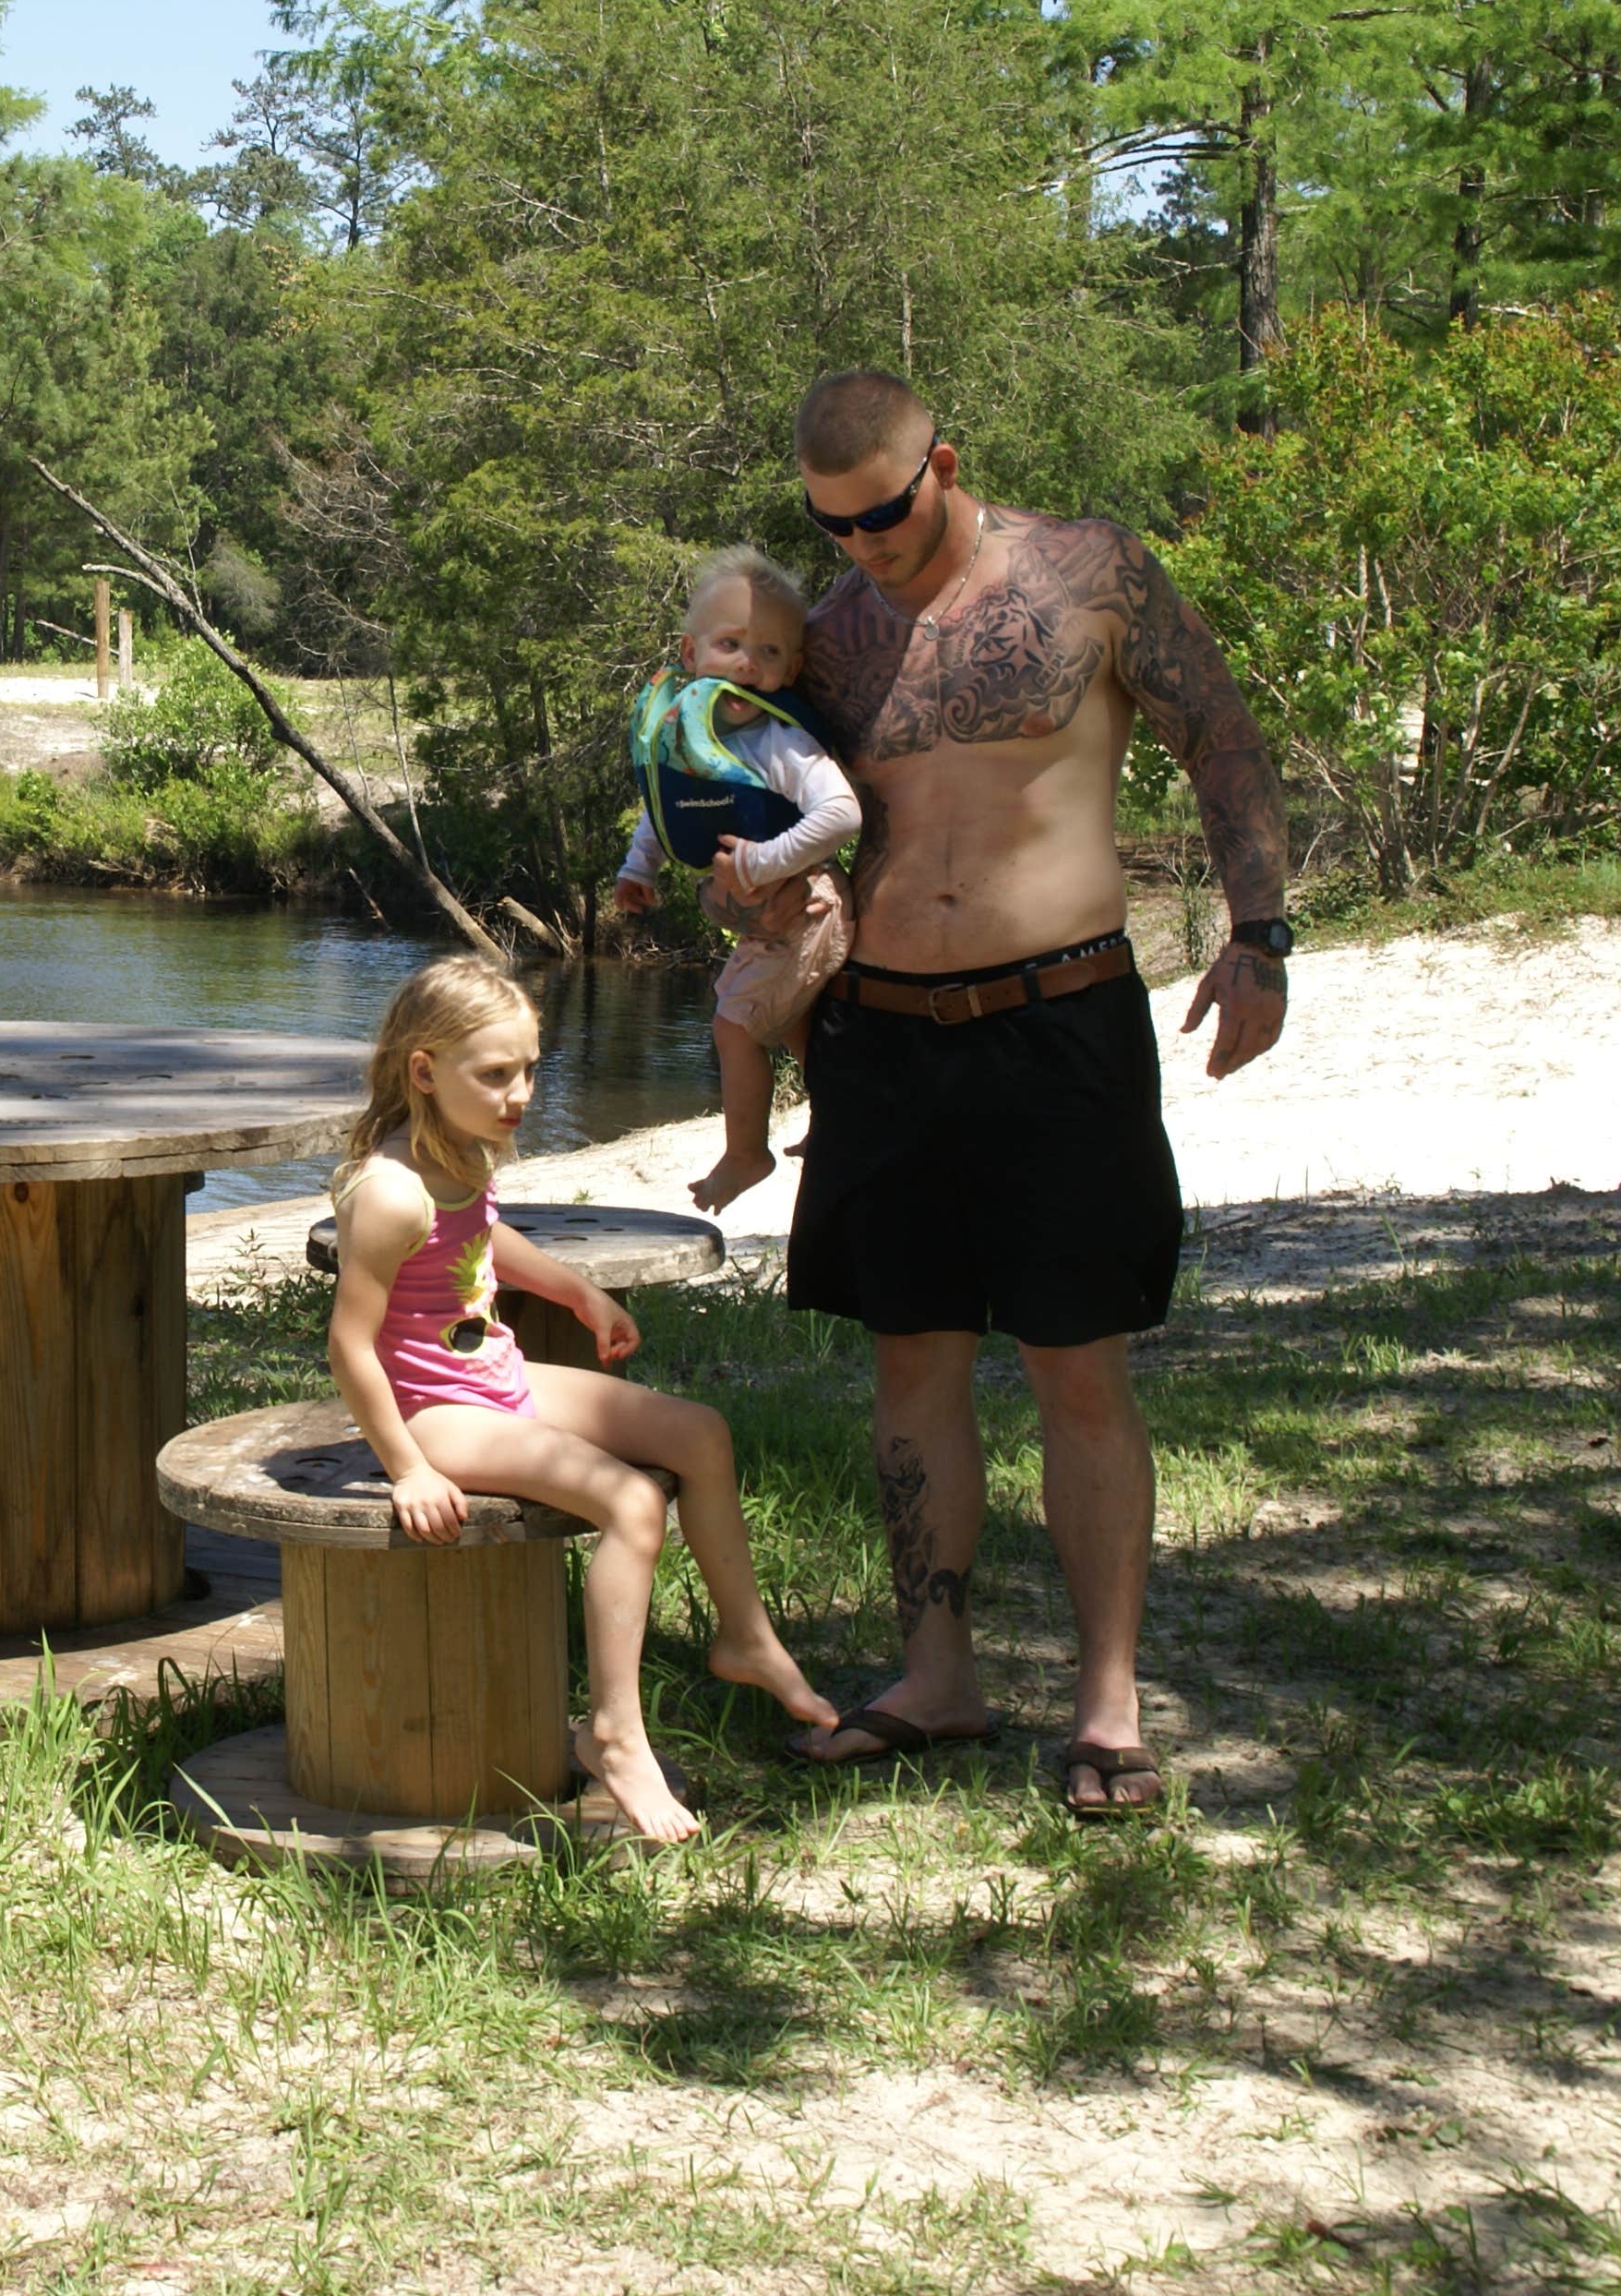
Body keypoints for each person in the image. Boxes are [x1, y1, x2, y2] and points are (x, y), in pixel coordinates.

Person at [748, 369, 1292, 1818]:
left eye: (881, 514)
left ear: (945, 467)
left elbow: (1220, 733)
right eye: (829, 523)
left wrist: (1263, 935)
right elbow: (758, 804)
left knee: (1077, 1363)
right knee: (910, 1361)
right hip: (882, 1036)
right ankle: (938, 1680)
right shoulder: (826, 633)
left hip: (1058, 1025)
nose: (860, 545)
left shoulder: (1086, 571)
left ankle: (1109, 1707)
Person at [325, 954, 838, 1844]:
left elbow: (484, 1236)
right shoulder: (391, 1193)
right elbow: (348, 1344)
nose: (519, 1091)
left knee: (699, 1434)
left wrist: (574, 1291)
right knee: (632, 1501)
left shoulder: (459, 1149)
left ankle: (747, 1638)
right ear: (423, 1071)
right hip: (432, 1416)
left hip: (493, 1378)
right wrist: (406, 1467)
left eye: (530, 1068)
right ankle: (614, 1734)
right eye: (496, 1074)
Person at [611, 547, 860, 1215]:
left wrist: (762, 861)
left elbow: (842, 814)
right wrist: (640, 869)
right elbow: (663, 809)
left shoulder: (780, 743)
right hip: (779, 910)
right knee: (794, 1023)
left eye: (769, 653)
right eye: (730, 645)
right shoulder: (690, 740)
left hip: (806, 904)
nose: (748, 664)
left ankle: (746, 1152)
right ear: (691, 657)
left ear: (793, 670)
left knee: (735, 1024)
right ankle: (837, 1118)